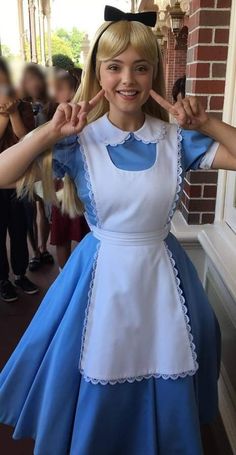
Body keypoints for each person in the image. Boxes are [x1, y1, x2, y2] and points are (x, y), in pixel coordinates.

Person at [1, 4, 236, 453]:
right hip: (96, 276)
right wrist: (47, 134)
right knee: (94, 365)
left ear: (153, 75)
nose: (128, 79)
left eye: (140, 68)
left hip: (164, 275)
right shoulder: (77, 140)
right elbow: (4, 174)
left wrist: (205, 122)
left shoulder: (177, 140)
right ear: (99, 72)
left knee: (166, 360)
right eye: (115, 67)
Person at [0, 57, 38, 302]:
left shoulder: (24, 106)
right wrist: (4, 115)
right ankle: (3, 280)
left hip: (20, 182)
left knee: (20, 229)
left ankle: (21, 274)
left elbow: (27, 141)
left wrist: (13, 112)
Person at [50, 66, 90, 269]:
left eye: (60, 88)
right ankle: (63, 273)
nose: (55, 93)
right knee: (62, 232)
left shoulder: (85, 114)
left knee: (83, 231)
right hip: (61, 184)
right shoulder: (54, 114)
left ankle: (81, 272)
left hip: (79, 183)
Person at [21, 63, 54, 271]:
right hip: (26, 165)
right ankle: (35, 251)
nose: (33, 83)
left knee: (47, 208)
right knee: (31, 210)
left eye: (36, 78)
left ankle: (43, 248)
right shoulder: (19, 105)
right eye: (28, 79)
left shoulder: (51, 104)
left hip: (48, 163)